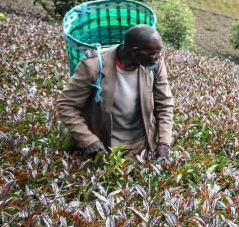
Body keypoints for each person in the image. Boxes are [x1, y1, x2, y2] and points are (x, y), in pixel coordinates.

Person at [57, 24, 173, 158]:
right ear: (135, 51)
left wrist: (164, 142)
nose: (158, 57)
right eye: (153, 54)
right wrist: (88, 140)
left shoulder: (154, 64)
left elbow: (164, 103)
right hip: (104, 147)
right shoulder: (93, 66)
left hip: (140, 146)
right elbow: (66, 105)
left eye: (159, 52)